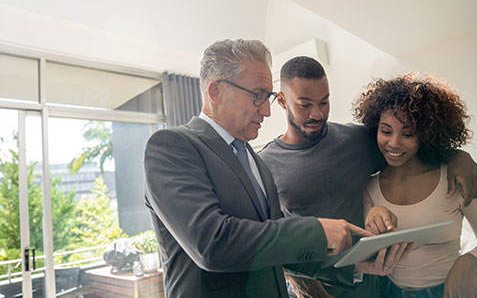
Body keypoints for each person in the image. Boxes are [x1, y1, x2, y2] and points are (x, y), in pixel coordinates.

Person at [144, 39, 401, 298]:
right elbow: (212, 244)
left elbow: (275, 250)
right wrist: (317, 231)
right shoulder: (172, 146)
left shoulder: (256, 162)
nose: (267, 111)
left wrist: (350, 266)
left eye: (267, 97)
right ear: (216, 92)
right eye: (257, 96)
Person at [258, 56, 477, 298]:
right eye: (305, 105)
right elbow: (274, 239)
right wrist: (305, 286)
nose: (317, 114)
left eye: (324, 102)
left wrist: (458, 156)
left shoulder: (357, 140)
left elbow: (410, 146)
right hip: (319, 288)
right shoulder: (264, 165)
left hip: (376, 284)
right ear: (281, 100)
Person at [353, 73, 477, 298]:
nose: (393, 143)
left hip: (448, 291)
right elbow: (368, 256)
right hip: (386, 292)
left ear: (426, 135)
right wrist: (372, 217)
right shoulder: (369, 187)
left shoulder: (455, 179)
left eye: (408, 133)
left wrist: (469, 261)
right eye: (386, 131)